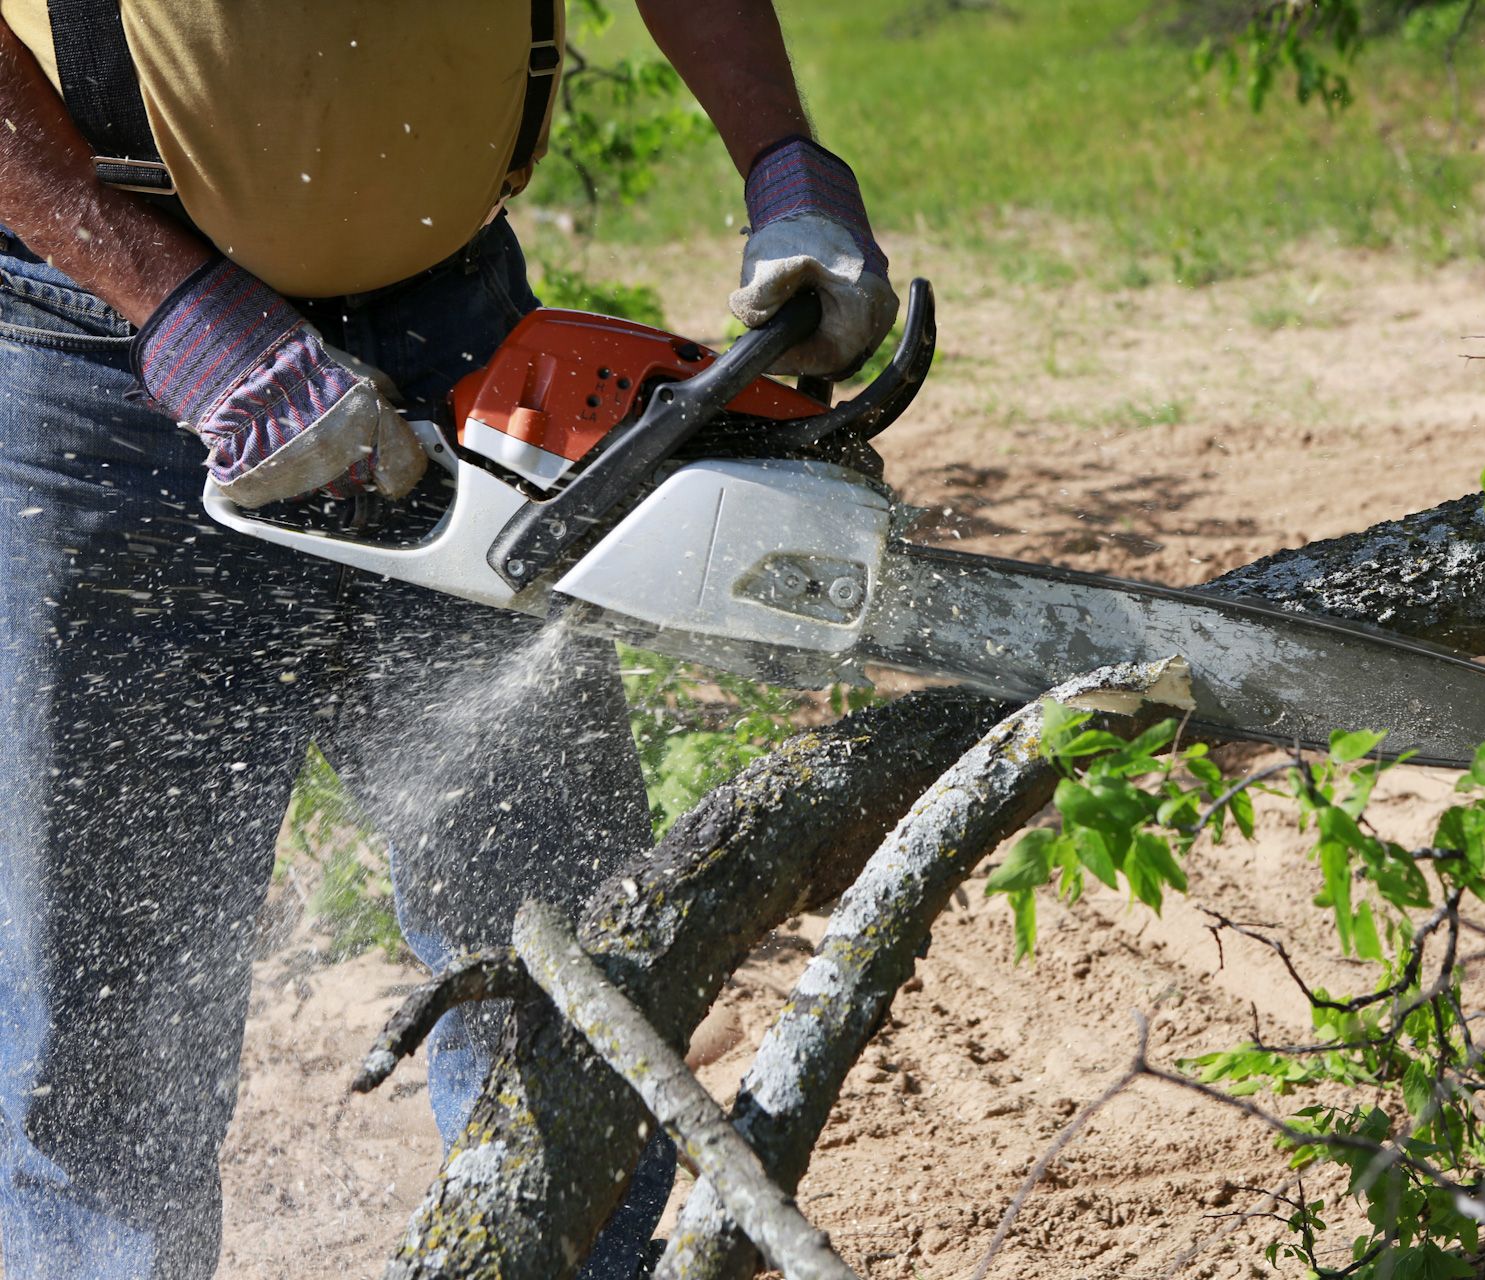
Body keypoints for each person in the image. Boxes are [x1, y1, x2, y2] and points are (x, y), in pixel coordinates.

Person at [0, 2, 897, 1276]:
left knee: (566, 965)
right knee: (100, 1052)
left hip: (461, 327)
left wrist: (785, 160)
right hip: (104, 355)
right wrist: (166, 300)